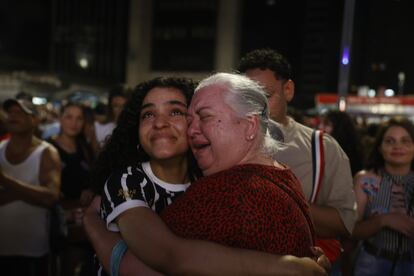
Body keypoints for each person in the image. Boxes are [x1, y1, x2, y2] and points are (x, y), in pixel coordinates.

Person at [84, 76, 328, 276]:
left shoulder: (218, 185)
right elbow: (168, 256)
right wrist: (286, 265)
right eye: (148, 114)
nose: (160, 123)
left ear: (251, 126)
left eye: (177, 113)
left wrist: (94, 225)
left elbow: (171, 258)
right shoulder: (129, 180)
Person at [238, 49, 357, 263]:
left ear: (288, 90)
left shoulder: (321, 147)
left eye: (266, 96)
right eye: (247, 99)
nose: (256, 108)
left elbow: (345, 222)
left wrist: (278, 200)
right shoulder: (224, 141)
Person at [0, 98, 61, 276]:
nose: (13, 116)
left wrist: (5, 182)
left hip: (33, 250)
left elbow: (50, 197)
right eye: (10, 112)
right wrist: (31, 194)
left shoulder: (47, 152)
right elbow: (43, 196)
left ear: (34, 119)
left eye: (20, 112)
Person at [352, 117, 414, 276]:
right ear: (379, 147)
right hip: (372, 263)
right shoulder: (365, 180)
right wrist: (384, 220)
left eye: (405, 141)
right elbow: (350, 231)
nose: (397, 146)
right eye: (389, 141)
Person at [48, 102, 95, 276]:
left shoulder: (85, 148)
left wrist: (90, 189)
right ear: (60, 119)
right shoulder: (48, 148)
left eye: (79, 118)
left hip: (81, 222)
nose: (74, 123)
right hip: (55, 220)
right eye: (69, 117)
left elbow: (93, 178)